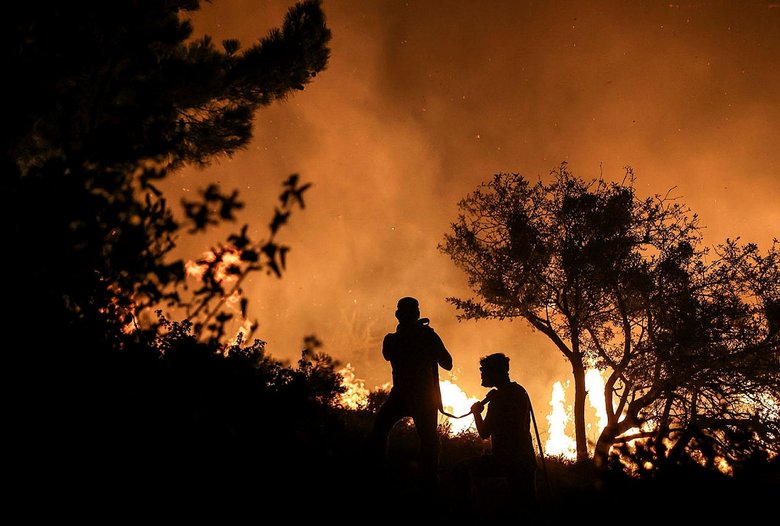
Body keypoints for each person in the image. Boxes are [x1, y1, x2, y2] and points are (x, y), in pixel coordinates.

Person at [369, 296, 453, 488]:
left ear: (397, 315)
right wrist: (427, 342)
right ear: (417, 314)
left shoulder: (392, 340)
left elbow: (388, 354)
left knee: (380, 431)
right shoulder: (426, 335)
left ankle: (378, 475)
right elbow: (447, 363)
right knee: (429, 441)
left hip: (402, 396)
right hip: (423, 398)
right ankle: (430, 483)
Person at [462, 353, 538, 519]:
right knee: (528, 506)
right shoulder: (519, 392)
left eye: (485, 371)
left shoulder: (499, 398)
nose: (482, 375)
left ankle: (471, 515)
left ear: (496, 373)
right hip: (526, 459)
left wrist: (476, 413)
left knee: (462, 471)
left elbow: (484, 433)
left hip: (506, 460)